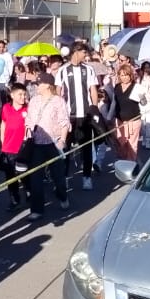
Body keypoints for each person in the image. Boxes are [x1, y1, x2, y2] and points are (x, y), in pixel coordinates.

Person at [24, 73, 70, 220]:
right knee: (35, 177)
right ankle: (37, 209)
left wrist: (62, 140)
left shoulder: (58, 101)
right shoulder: (34, 101)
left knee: (58, 176)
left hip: (54, 142)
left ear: (47, 85)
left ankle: (62, 196)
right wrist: (27, 135)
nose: (36, 86)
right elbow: (29, 120)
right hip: (36, 143)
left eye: (39, 83)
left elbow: (64, 122)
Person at [56, 44, 99, 190]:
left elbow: (93, 90)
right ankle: (65, 178)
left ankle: (86, 177)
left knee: (86, 147)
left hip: (85, 115)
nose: (85, 55)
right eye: (83, 52)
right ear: (75, 52)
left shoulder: (88, 69)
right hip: (69, 116)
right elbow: (58, 92)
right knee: (65, 149)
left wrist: (94, 109)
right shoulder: (62, 70)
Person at [0, 83, 29, 208]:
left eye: (24, 94)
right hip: (8, 147)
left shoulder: (28, 108)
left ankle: (29, 191)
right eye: (20, 94)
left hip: (22, 148)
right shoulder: (6, 108)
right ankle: (14, 199)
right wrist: (2, 141)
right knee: (10, 176)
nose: (23, 97)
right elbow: (3, 124)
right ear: (12, 95)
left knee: (25, 174)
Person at [111, 64, 145, 162]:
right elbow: (114, 102)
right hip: (120, 120)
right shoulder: (117, 87)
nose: (124, 77)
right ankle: (124, 162)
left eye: (126, 75)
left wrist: (142, 97)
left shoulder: (136, 87)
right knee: (121, 143)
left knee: (132, 145)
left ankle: (131, 164)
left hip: (133, 120)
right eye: (121, 75)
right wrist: (109, 117)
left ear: (130, 75)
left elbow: (144, 103)